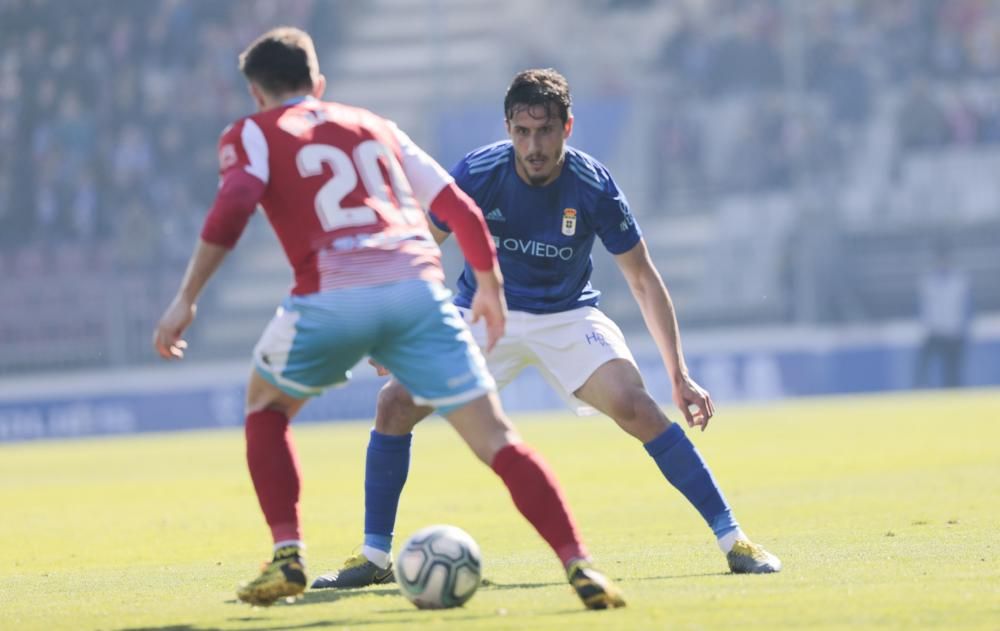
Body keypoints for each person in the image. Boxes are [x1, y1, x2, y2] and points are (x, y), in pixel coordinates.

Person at [153, 30, 624, 610]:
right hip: (416, 293)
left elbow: (234, 205)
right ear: (318, 84)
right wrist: (490, 287)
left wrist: (187, 297)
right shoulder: (374, 125)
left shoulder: (252, 132)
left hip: (331, 293)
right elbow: (461, 209)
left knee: (266, 408)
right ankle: (579, 564)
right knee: (498, 438)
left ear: (256, 93)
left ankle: (287, 554)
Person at [313, 68, 781, 590]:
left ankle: (734, 539)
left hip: (567, 314)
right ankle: (375, 556)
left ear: (568, 127)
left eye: (545, 132)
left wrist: (680, 374)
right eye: (522, 132)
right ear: (509, 128)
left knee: (637, 406)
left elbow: (643, 280)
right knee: (393, 404)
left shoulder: (594, 185)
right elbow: (421, 248)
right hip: (484, 313)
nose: (533, 146)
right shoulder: (479, 172)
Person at [914, 245, 972, 388]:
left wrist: (966, 328)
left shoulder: (960, 281)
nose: (943, 263)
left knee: (952, 371)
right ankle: (921, 391)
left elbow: (968, 307)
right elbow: (920, 307)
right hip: (934, 332)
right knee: (922, 367)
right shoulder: (926, 282)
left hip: (954, 332)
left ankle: (954, 397)